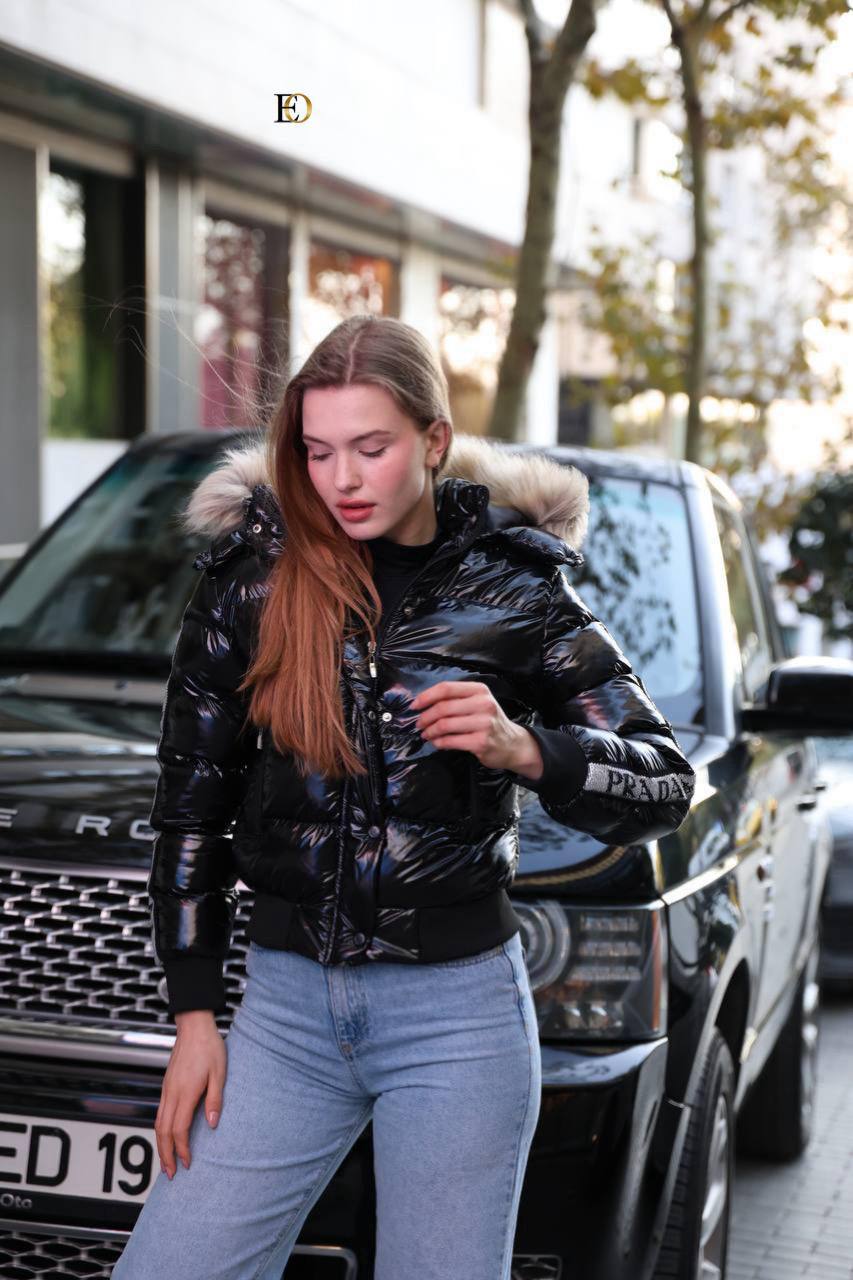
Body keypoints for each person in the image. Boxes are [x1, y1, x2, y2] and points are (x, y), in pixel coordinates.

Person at [113, 315, 696, 1280]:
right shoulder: (251, 581)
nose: (341, 478)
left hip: (456, 1019)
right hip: (285, 1016)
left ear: (433, 441)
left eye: (371, 447)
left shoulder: (516, 593)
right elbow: (190, 808)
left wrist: (526, 748)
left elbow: (661, 783)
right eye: (317, 452)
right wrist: (193, 1017)